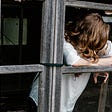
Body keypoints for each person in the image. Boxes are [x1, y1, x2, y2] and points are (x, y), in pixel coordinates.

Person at [28, 13, 112, 112]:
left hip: (66, 103)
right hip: (43, 99)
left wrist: (95, 65)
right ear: (88, 36)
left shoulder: (97, 42)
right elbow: (74, 62)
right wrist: (99, 65)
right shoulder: (63, 39)